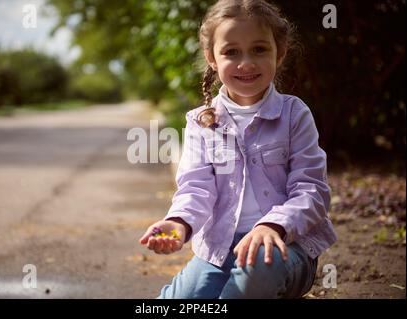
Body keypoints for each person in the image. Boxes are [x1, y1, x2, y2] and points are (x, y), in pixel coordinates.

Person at [139, 0, 337, 299]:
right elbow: (196, 188)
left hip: (285, 250)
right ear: (212, 58)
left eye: (259, 49)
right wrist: (178, 222)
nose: (246, 63)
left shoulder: (294, 114)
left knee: (253, 276)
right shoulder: (201, 122)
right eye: (231, 52)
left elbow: (312, 190)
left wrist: (274, 226)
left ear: (279, 53)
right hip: (219, 250)